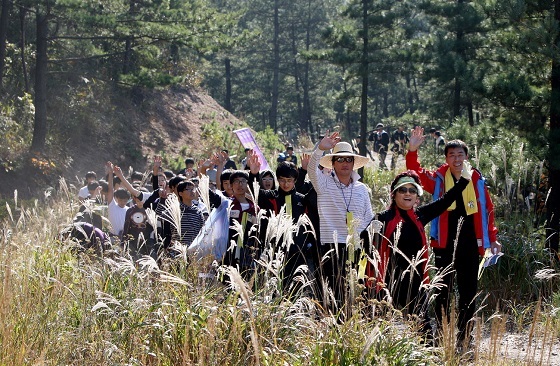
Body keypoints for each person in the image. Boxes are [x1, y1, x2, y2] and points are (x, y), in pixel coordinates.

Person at [405, 126, 502, 347]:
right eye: (452, 155)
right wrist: (412, 150)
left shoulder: (477, 179)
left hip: (471, 242)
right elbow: (414, 171)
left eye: (460, 154)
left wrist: (493, 237)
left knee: (468, 290)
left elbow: (488, 210)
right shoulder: (439, 179)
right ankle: (441, 333)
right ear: (446, 158)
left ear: (466, 156)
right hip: (444, 243)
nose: (456, 159)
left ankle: (465, 335)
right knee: (443, 290)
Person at [361, 170, 470, 340]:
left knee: (424, 331)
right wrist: (368, 233)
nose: (407, 193)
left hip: (415, 284)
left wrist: (463, 181)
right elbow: (365, 246)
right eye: (402, 190)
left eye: (412, 190)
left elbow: (445, 201)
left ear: (417, 196)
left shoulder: (420, 215)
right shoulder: (383, 218)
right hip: (386, 285)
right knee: (378, 332)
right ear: (394, 194)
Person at [308, 132, 374, 313]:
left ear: (353, 163)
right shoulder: (323, 184)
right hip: (332, 246)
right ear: (333, 163)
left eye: (349, 159)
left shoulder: (362, 189)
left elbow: (369, 218)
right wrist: (321, 149)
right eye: (340, 159)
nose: (345, 163)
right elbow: (312, 169)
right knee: (334, 294)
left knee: (357, 291)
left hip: (357, 247)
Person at [247, 154, 313, 294]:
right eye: (282, 180)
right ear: (277, 180)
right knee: (275, 290)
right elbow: (255, 192)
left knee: (296, 291)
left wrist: (304, 171)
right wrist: (254, 174)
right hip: (274, 251)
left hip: (298, 253)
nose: (286, 184)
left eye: (289, 180)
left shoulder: (302, 199)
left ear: (294, 180)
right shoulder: (270, 197)